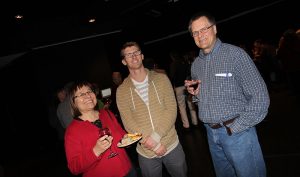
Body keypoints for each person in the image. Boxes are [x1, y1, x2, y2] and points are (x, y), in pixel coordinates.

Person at [185, 11, 270, 177]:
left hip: (238, 134)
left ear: (215, 28)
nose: (200, 35)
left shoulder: (235, 55)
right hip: (211, 134)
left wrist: (235, 127)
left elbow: (260, 97)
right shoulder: (196, 65)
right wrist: (195, 95)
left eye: (204, 29)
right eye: (195, 32)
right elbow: (202, 98)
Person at [116, 41, 187, 177]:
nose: (134, 56)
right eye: (129, 55)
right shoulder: (122, 91)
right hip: (146, 152)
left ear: (142, 56)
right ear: (124, 61)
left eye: (136, 52)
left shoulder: (161, 79)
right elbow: (128, 123)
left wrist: (156, 136)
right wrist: (154, 145)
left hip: (171, 145)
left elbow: (171, 109)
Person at [64, 81, 137, 177]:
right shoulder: (72, 131)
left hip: (128, 170)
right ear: (73, 102)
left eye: (90, 91)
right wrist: (96, 151)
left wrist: (130, 139)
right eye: (81, 94)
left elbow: (122, 135)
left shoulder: (107, 113)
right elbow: (74, 168)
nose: (88, 96)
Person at [169, 50, 198, 128]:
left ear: (172, 57)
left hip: (178, 87)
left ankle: (186, 125)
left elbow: (171, 76)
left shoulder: (173, 64)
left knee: (182, 107)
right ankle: (195, 122)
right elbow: (189, 73)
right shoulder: (184, 63)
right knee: (191, 104)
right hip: (187, 85)